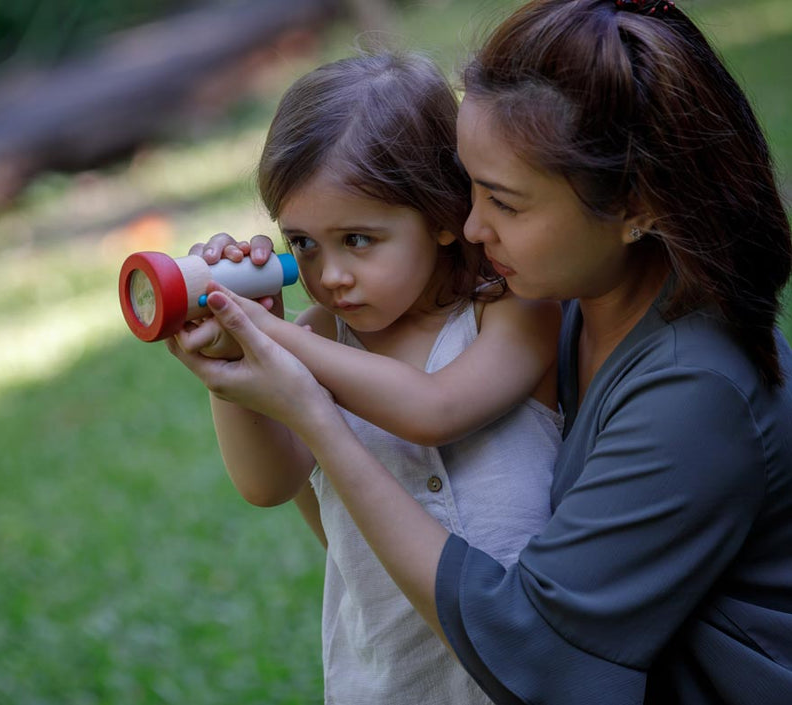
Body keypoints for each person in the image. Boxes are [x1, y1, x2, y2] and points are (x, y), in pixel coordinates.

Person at [172, 1, 792, 703]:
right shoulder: (577, 304)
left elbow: (537, 654)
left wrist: (288, 368)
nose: (469, 225)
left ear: (635, 206)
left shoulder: (690, 385)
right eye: (469, 187)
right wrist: (240, 364)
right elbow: (301, 496)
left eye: (505, 202)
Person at [169, 51, 563, 703]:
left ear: (440, 216)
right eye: (302, 243)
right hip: (390, 684)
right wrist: (234, 358)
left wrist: (272, 335)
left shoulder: (513, 312)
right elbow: (267, 484)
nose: (329, 275)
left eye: (357, 239)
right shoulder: (322, 337)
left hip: (526, 672)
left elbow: (433, 408)